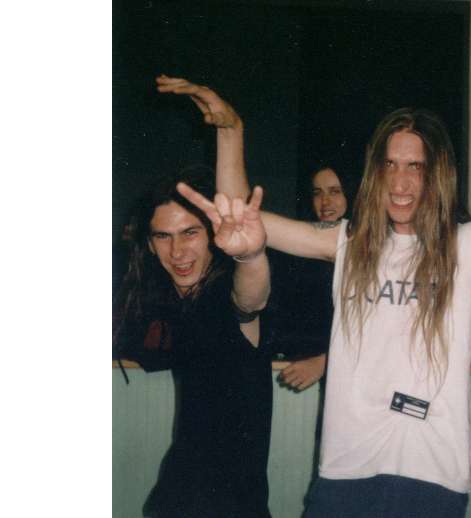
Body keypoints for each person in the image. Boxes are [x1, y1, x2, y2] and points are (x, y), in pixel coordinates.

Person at [178, 99, 471, 517]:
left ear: (439, 174)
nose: (400, 182)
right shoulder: (349, 242)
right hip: (343, 473)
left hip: (430, 476)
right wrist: (231, 133)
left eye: (416, 166)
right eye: (390, 164)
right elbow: (243, 219)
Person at [113, 75, 273, 518]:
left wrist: (230, 133)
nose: (178, 251)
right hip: (174, 500)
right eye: (163, 237)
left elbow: (251, 296)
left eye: (190, 233)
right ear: (149, 245)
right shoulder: (172, 301)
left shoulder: (226, 297)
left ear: (214, 237)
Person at [274, 164, 350, 391]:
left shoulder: (370, 248)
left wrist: (324, 362)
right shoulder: (302, 253)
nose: (325, 202)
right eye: (317, 193)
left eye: (335, 191)